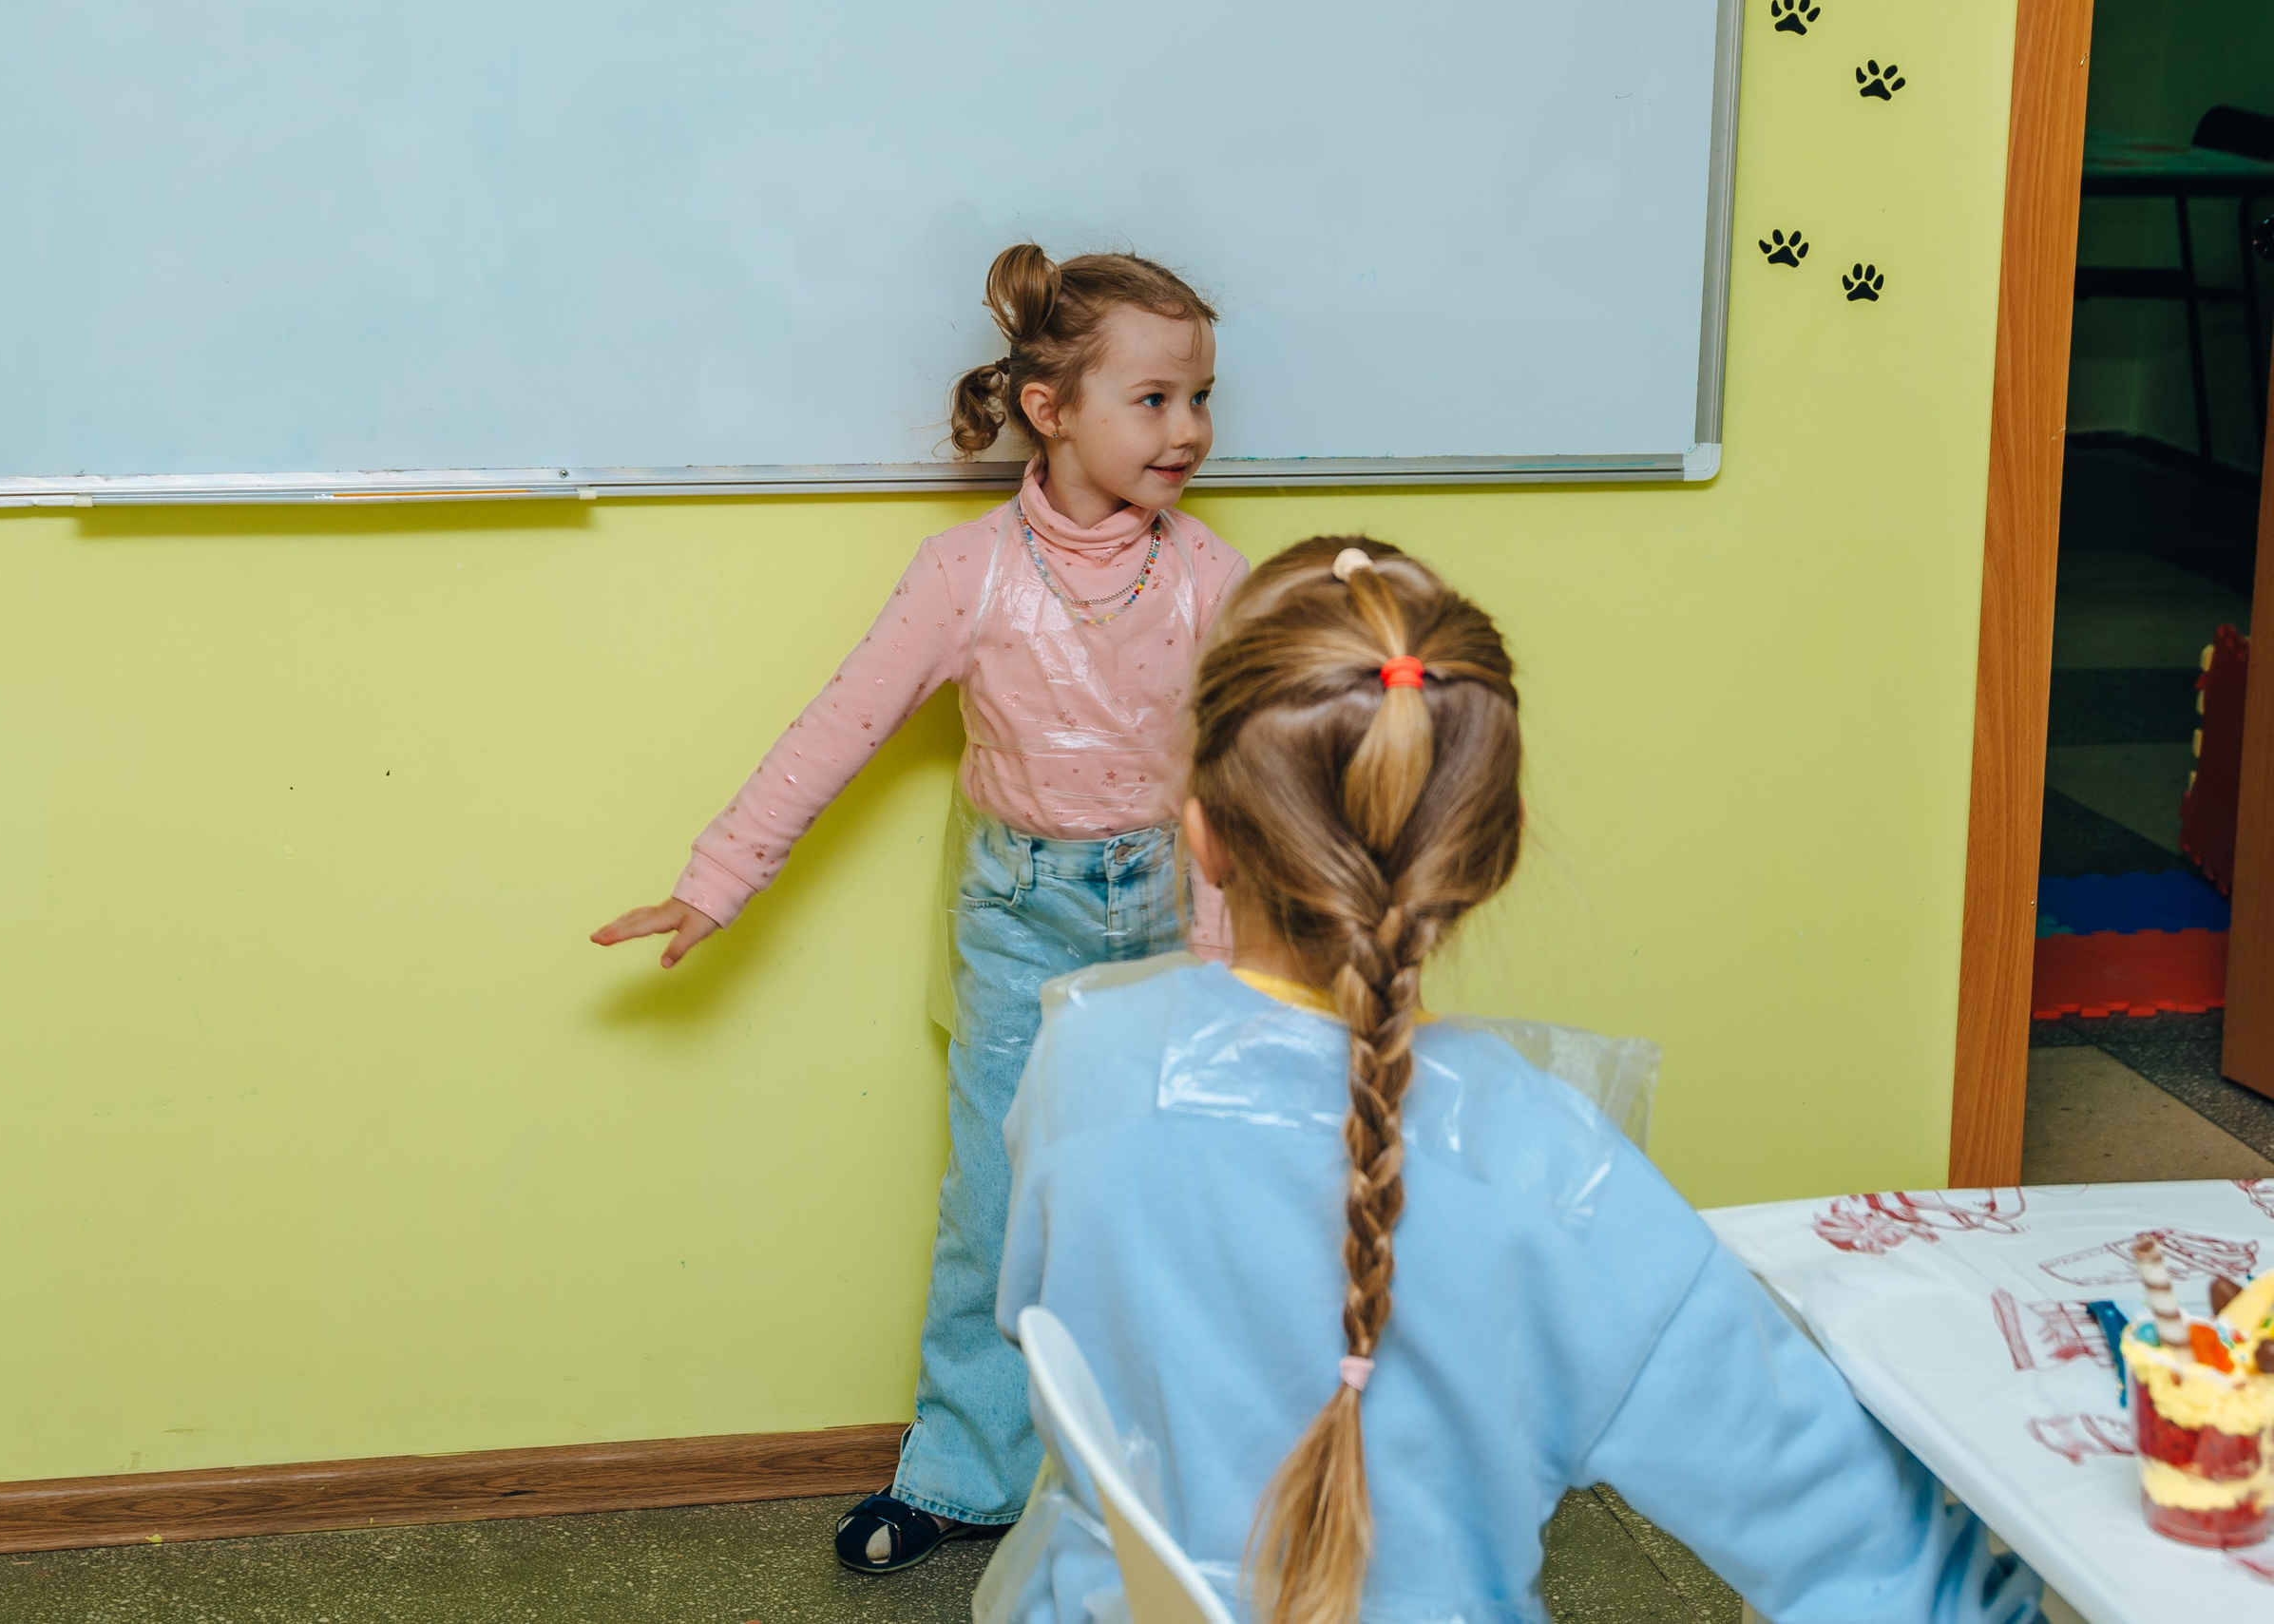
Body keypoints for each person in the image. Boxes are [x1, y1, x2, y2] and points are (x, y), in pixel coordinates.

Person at [984, 538, 2046, 1624]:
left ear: (1202, 833)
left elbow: (1037, 1314)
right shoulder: (1557, 1175)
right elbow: (1886, 1568)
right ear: (1488, 850)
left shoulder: (1086, 1062)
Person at [593, 244, 1249, 1573]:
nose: (1187, 430)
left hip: (1186, 917)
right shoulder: (967, 573)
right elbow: (837, 729)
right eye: (1154, 399)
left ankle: (1188, 1483)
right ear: (1051, 407)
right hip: (1023, 922)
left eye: (1199, 398)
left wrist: (1236, 965)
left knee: (1186, 1203)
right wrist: (716, 880)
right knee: (998, 1207)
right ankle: (964, 1472)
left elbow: (1252, 776)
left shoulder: (1209, 575)